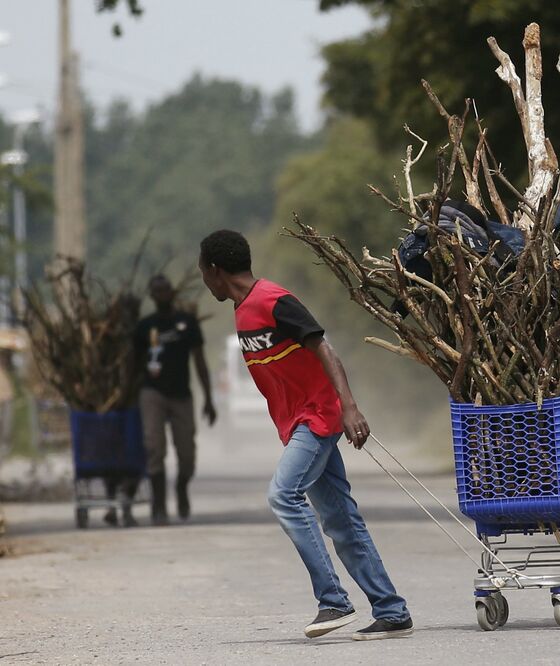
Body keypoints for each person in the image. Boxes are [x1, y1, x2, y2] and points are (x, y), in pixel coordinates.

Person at [198, 229, 413, 641]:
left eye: (202, 271)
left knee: (283, 495)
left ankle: (333, 600)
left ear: (214, 269)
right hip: (298, 421)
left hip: (316, 419)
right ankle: (391, 610)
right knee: (341, 520)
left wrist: (349, 406)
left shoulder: (272, 300)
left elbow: (324, 348)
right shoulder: (243, 309)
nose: (203, 281)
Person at [134, 275, 216, 526]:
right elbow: (133, 365)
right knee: (154, 446)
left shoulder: (186, 323)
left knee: (187, 453)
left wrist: (209, 399)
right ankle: (158, 504)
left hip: (181, 393)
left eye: (165, 290)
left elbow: (200, 361)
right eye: (156, 291)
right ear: (152, 295)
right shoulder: (145, 326)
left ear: (172, 292)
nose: (161, 294)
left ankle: (181, 487)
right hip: (152, 392)